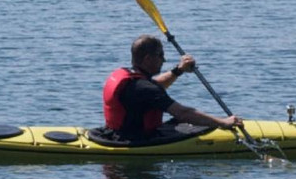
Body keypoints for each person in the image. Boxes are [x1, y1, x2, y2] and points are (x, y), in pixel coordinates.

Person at [102, 34, 243, 141]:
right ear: (147, 59)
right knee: (187, 121)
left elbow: (154, 86)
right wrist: (223, 122)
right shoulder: (145, 89)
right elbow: (183, 113)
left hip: (115, 134)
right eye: (160, 55)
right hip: (138, 140)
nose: (164, 60)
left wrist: (179, 70)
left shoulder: (129, 77)